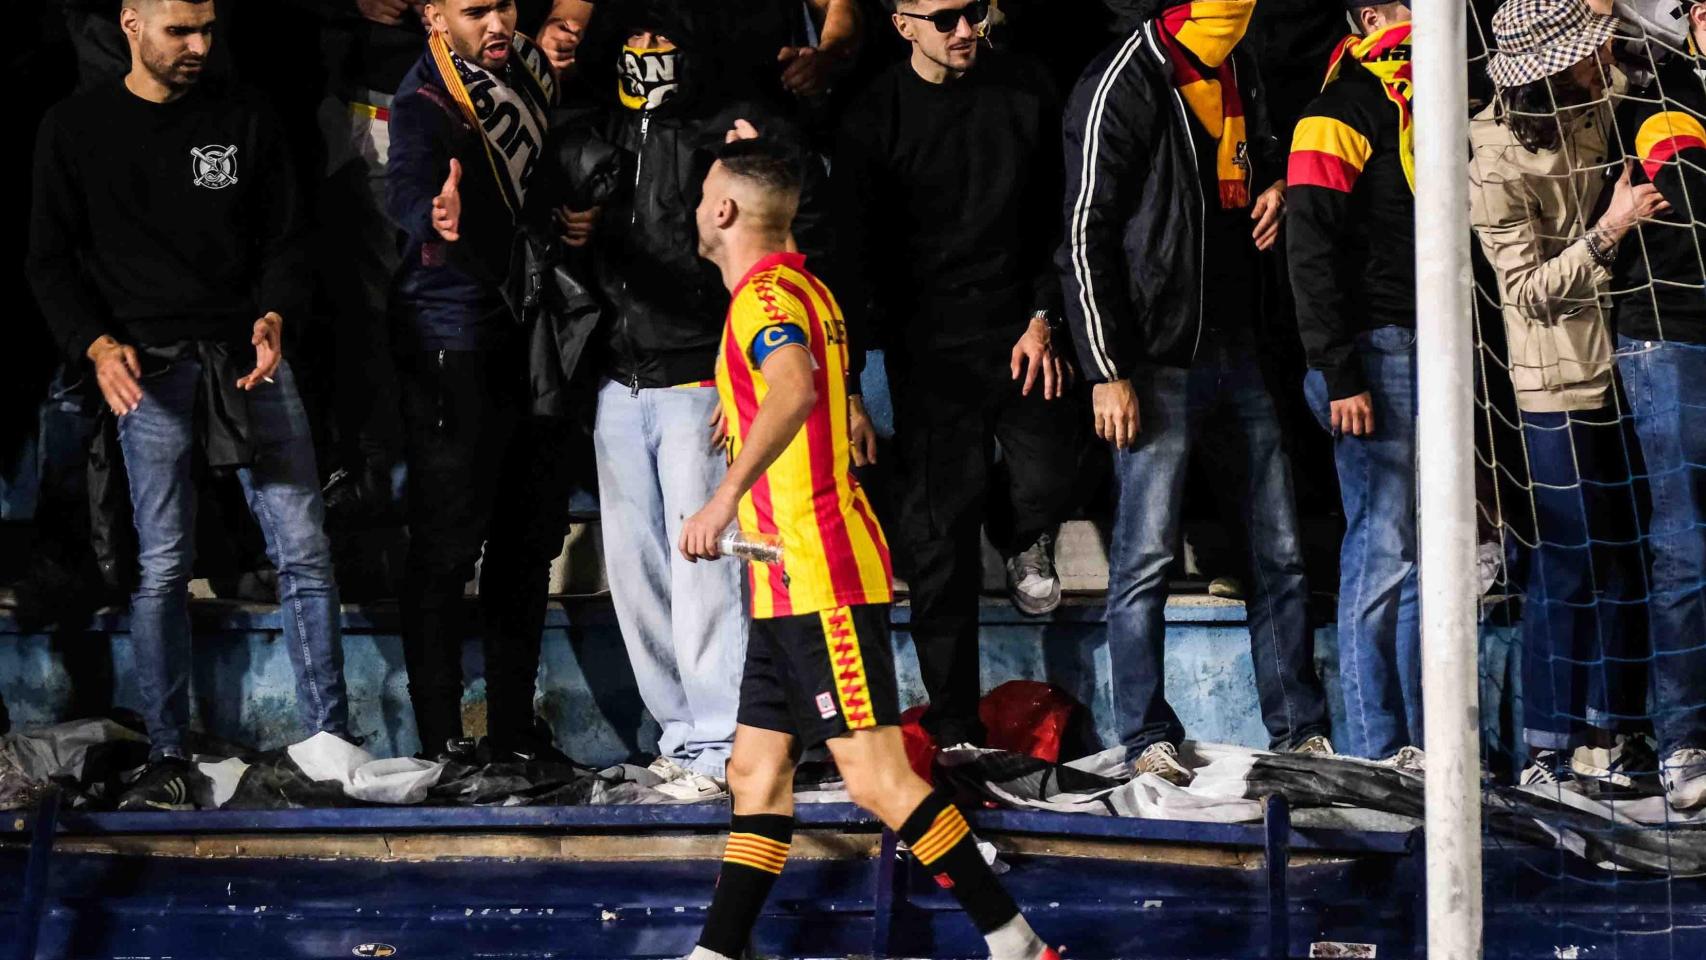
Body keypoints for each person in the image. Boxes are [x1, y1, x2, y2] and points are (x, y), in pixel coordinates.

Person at [678, 133, 1058, 960]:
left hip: (820, 574)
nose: (696, 202)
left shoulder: (763, 302)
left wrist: (724, 494)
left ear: (724, 209)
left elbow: (795, 389)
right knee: (755, 775)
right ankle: (716, 953)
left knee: (877, 778)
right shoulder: (803, 289)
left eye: (704, 189)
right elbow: (798, 395)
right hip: (783, 585)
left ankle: (1013, 937)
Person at [27, 0, 349, 808]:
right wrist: (95, 346)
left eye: (208, 29)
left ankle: (327, 741)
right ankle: (167, 754)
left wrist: (277, 315)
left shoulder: (244, 116)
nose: (200, 46)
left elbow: (286, 238)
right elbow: (48, 261)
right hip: (147, 364)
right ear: (131, 23)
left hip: (245, 358)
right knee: (163, 565)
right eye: (181, 31)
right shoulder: (74, 128)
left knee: (305, 553)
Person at [1057, 0, 1334, 785]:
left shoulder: (1237, 63)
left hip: (1239, 346)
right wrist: (1106, 367)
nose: (1237, 14)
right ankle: (1146, 731)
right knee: (1142, 558)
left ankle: (1300, 730)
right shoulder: (1123, 79)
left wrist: (1274, 185)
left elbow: (1252, 158)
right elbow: (1084, 232)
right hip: (1155, 358)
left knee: (1278, 553)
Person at [570, 0, 832, 801]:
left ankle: (724, 738)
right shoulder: (595, 130)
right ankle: (681, 737)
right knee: (638, 571)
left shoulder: (728, 131)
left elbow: (791, 222)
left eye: (663, 42)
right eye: (636, 41)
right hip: (617, 380)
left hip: (693, 383)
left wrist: (732, 378)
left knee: (704, 572)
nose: (649, 52)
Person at [834, 0, 1083, 752]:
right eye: (944, 18)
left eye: (973, 11)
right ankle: (952, 726)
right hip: (928, 347)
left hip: (1021, 328)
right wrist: (849, 385)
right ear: (902, 24)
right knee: (939, 541)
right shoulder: (872, 116)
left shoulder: (1027, 88)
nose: (965, 29)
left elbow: (1062, 215)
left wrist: (1045, 317)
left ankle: (1020, 534)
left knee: (1053, 473)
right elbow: (848, 255)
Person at [1469, 0, 1663, 796]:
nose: (1602, 55)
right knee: (1567, 563)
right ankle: (1544, 750)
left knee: (1626, 556)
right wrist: (1610, 229)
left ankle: (1607, 733)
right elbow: (1526, 292)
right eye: (1587, 50)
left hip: (1625, 365)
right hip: (1553, 381)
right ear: (1549, 70)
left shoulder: (1598, 92)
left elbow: (1654, 57)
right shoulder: (1491, 159)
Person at [386, 0, 576, 762]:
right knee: (447, 542)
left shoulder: (526, 68)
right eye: (474, 11)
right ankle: (440, 742)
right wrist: (434, 214)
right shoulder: (423, 98)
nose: (497, 22)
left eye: (504, 4)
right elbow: (407, 186)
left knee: (527, 541)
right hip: (450, 334)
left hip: (529, 321)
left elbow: (550, 167)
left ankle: (511, 731)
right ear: (434, 16)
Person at [1287, 0, 1422, 764]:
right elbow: (1308, 252)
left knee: (1422, 557)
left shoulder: (1429, 107)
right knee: (1381, 551)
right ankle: (1379, 748)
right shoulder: (1334, 112)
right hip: (1373, 354)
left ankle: (1424, 745)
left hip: (1430, 347)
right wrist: (1340, 371)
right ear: (1372, 16)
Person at [1605, 0, 1706, 808]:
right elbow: (1693, 210)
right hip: (1667, 337)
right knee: (1684, 546)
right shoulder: (1661, 94)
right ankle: (1683, 745)